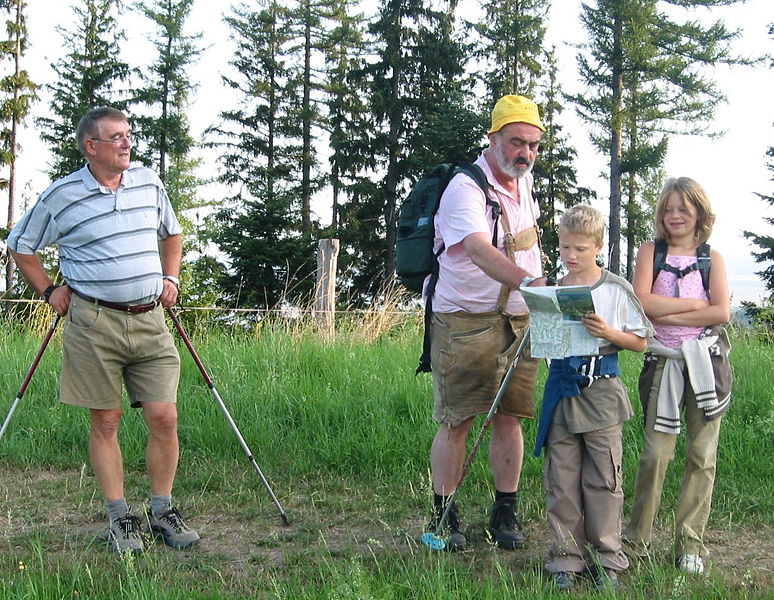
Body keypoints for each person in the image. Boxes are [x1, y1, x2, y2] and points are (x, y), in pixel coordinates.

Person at [6, 107, 199, 555]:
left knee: (164, 417)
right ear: (92, 146)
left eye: (129, 135)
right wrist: (49, 290)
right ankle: (120, 517)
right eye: (116, 138)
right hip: (93, 322)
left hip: (151, 318)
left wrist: (171, 278)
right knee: (106, 418)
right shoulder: (62, 196)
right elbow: (20, 245)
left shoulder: (149, 183)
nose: (127, 144)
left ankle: (162, 510)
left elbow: (171, 235)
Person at [425, 94, 549, 552]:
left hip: (517, 320)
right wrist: (532, 284)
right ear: (493, 138)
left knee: (510, 417)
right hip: (464, 321)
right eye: (517, 142)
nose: (526, 154)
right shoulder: (465, 187)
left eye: (534, 145)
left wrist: (531, 297)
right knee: (458, 421)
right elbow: (478, 249)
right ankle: (443, 513)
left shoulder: (524, 183)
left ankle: (505, 510)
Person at [532, 205, 652, 591]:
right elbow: (545, 340)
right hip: (561, 388)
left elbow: (640, 340)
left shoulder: (615, 289)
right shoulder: (554, 287)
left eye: (580, 249)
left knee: (603, 477)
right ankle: (566, 558)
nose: (571, 255)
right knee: (561, 477)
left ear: (599, 247)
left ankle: (606, 558)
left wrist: (608, 333)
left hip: (600, 389)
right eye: (565, 247)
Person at [623, 177, 732, 575]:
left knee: (702, 456)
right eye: (669, 208)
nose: (675, 216)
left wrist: (665, 308)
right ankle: (637, 540)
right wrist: (692, 303)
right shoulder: (650, 252)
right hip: (662, 364)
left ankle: (690, 542)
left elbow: (721, 313)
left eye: (684, 208)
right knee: (655, 455)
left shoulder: (712, 259)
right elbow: (642, 305)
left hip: (706, 366)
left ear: (699, 213)